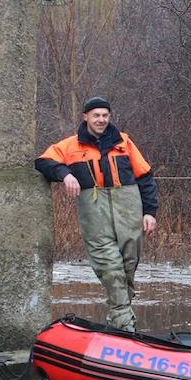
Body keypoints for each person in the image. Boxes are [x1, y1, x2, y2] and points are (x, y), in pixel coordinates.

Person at [36, 96, 158, 331]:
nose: (101, 120)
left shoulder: (125, 142)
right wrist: (65, 174)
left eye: (104, 115)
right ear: (86, 117)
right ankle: (125, 324)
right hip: (95, 214)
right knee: (109, 266)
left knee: (127, 264)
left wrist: (150, 212)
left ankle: (118, 317)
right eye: (96, 116)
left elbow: (145, 177)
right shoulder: (71, 146)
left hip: (129, 210)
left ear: (109, 116)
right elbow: (42, 161)